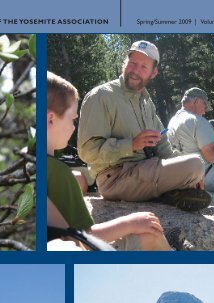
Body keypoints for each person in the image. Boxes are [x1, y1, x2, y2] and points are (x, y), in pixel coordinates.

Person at [77, 41, 210, 211]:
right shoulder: (100, 96)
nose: (135, 71)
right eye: (132, 63)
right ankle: (170, 193)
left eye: (143, 67)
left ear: (153, 73)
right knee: (195, 165)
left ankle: (171, 193)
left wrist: (187, 172)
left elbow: (163, 146)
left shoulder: (147, 103)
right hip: (115, 178)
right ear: (125, 63)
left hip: (146, 170)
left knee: (195, 164)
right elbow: (87, 152)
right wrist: (131, 145)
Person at [47, 71, 172, 251]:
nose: (74, 128)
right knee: (149, 232)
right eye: (73, 119)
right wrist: (130, 222)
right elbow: (82, 237)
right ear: (50, 118)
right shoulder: (57, 173)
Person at [168, 88, 214, 193]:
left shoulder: (173, 121)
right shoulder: (198, 121)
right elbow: (212, 157)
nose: (205, 111)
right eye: (204, 105)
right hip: (203, 180)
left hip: (181, 178)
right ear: (196, 101)